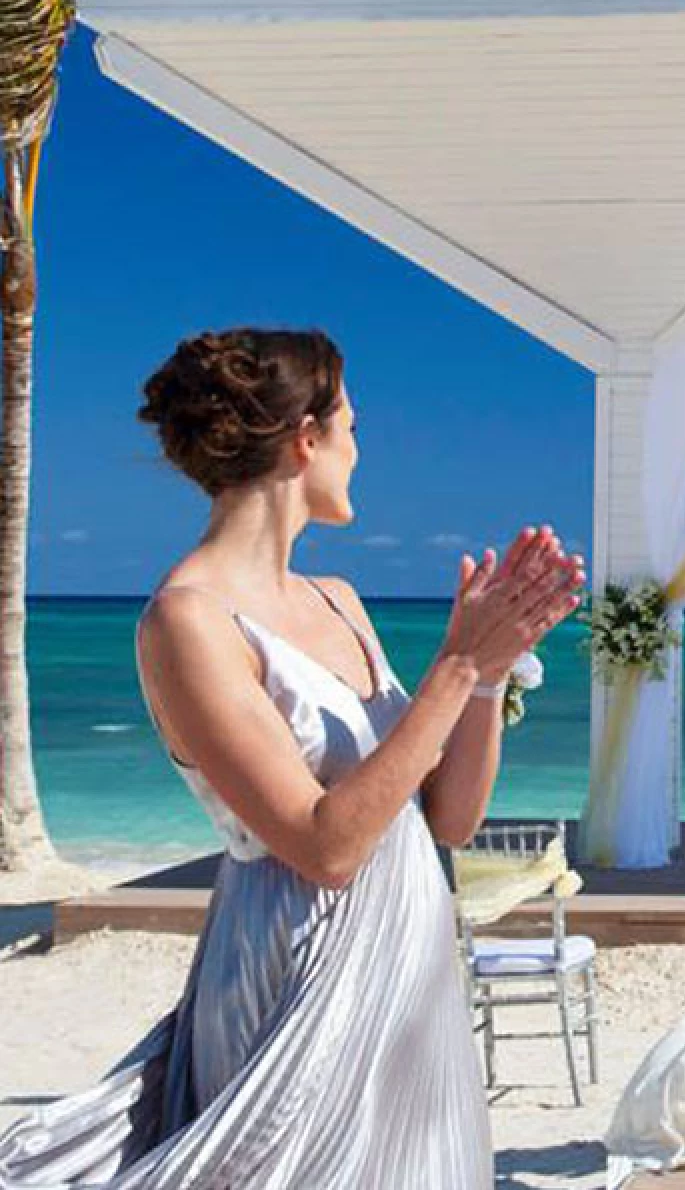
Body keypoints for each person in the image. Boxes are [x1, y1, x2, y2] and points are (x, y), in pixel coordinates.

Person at [0, 327, 582, 1190]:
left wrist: (488, 674)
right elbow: (324, 847)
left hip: (413, 961)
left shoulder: (339, 599)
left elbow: (447, 820)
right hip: (296, 969)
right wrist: (453, 665)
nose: (361, 446)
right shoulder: (186, 619)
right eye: (350, 424)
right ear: (305, 439)